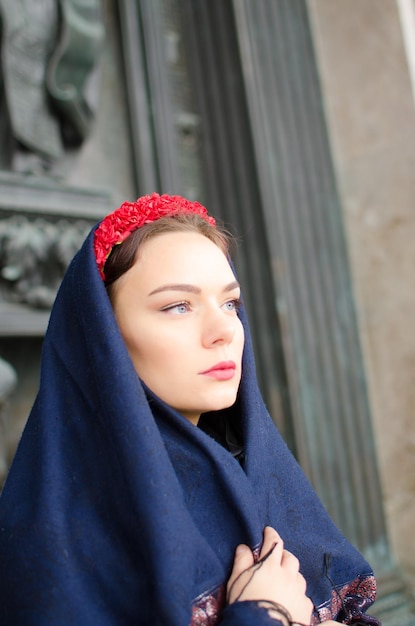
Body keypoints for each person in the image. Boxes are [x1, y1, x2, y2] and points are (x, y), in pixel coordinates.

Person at [0, 193, 381, 625]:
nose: (224, 331)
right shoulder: (54, 537)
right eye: (177, 306)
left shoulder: (267, 484)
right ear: (102, 338)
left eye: (230, 304)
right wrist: (264, 614)